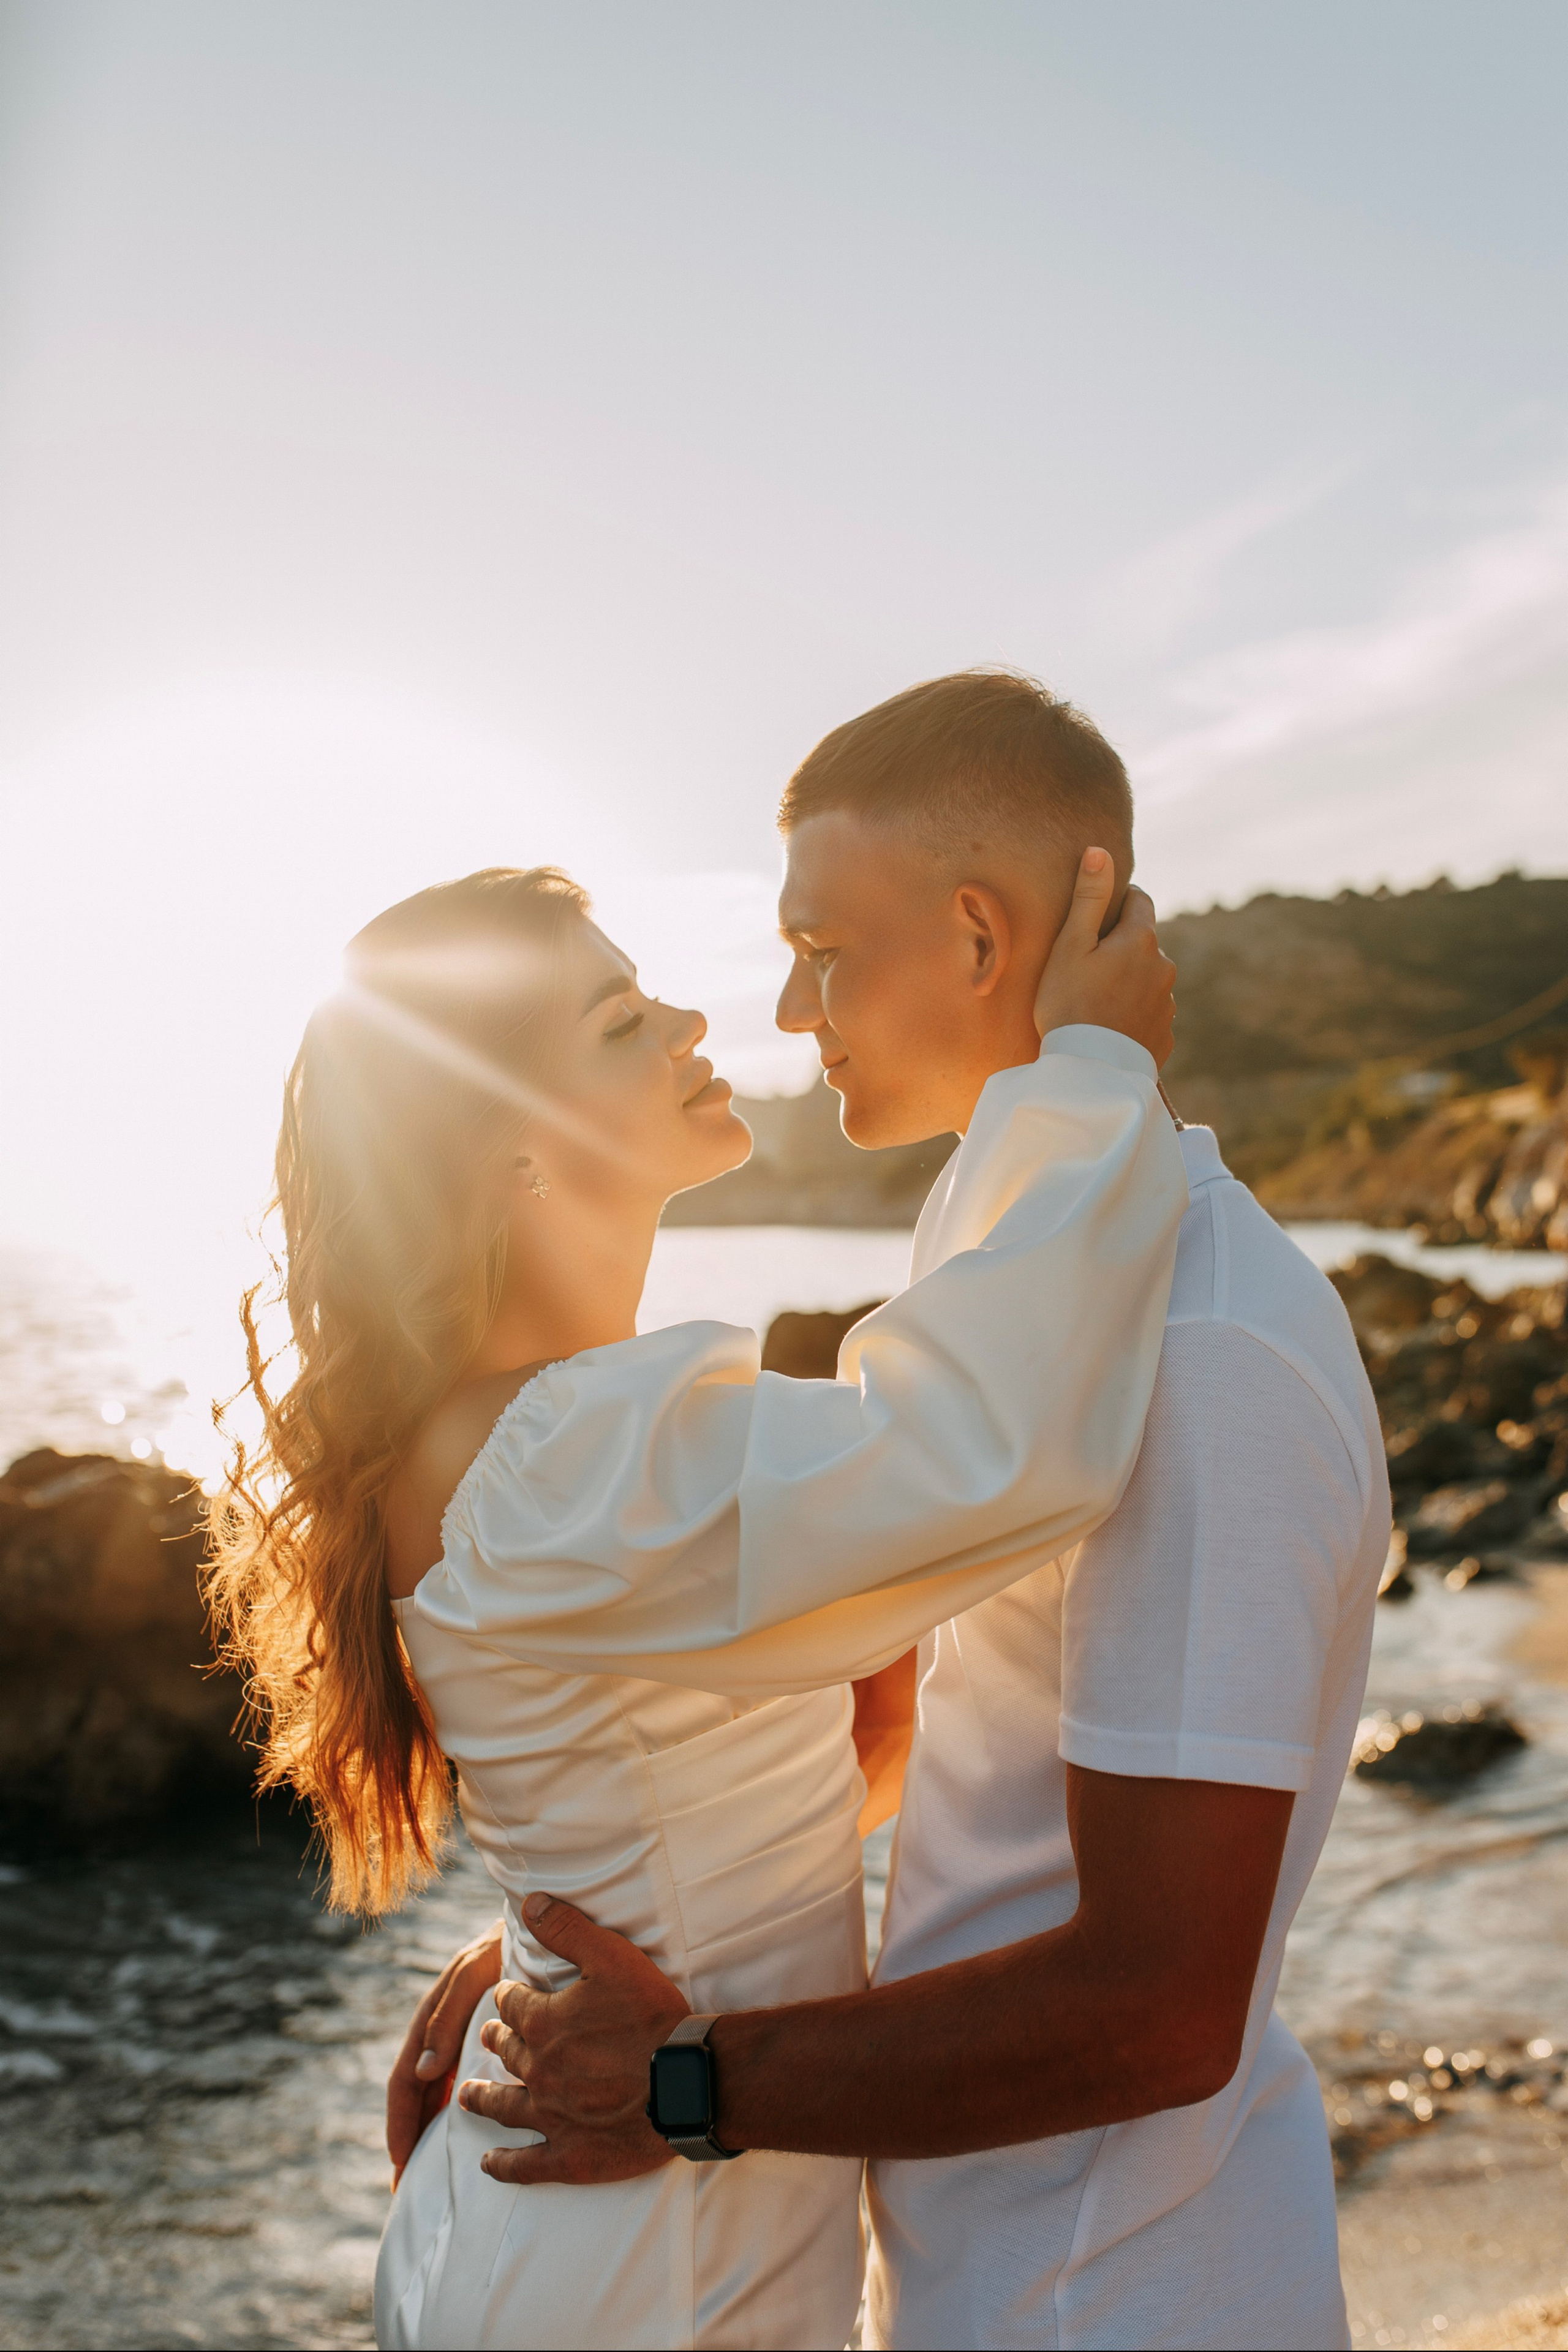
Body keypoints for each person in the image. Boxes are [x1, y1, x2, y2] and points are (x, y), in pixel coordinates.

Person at [408, 672, 1392, 2352]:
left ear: (981, 939)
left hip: (1118, 2296)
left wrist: (689, 2073)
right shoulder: (1012, 1257)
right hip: (972, 2270)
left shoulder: (1198, 1346)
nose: (783, 1012)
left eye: (822, 949)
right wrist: (591, 1926)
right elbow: (946, 1725)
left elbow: (1160, 2010)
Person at [208, 798, 1185, 2350]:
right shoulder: (563, 1453)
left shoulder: (525, 1438)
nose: (686, 1019)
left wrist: (539, 1936)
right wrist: (1093, 1071)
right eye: (618, 1019)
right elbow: (1005, 1447)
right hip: (634, 2266)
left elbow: (783, 1770)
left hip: (619, 2208)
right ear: (508, 1140)